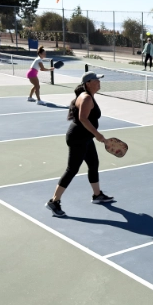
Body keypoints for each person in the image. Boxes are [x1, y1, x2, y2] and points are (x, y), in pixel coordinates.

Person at [46, 72, 114, 217]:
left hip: (85, 138)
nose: (99, 82)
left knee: (93, 164)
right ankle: (54, 201)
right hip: (78, 138)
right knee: (72, 169)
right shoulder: (86, 97)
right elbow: (83, 118)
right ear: (88, 83)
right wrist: (98, 134)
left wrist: (93, 135)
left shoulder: (89, 96)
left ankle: (97, 195)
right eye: (96, 80)